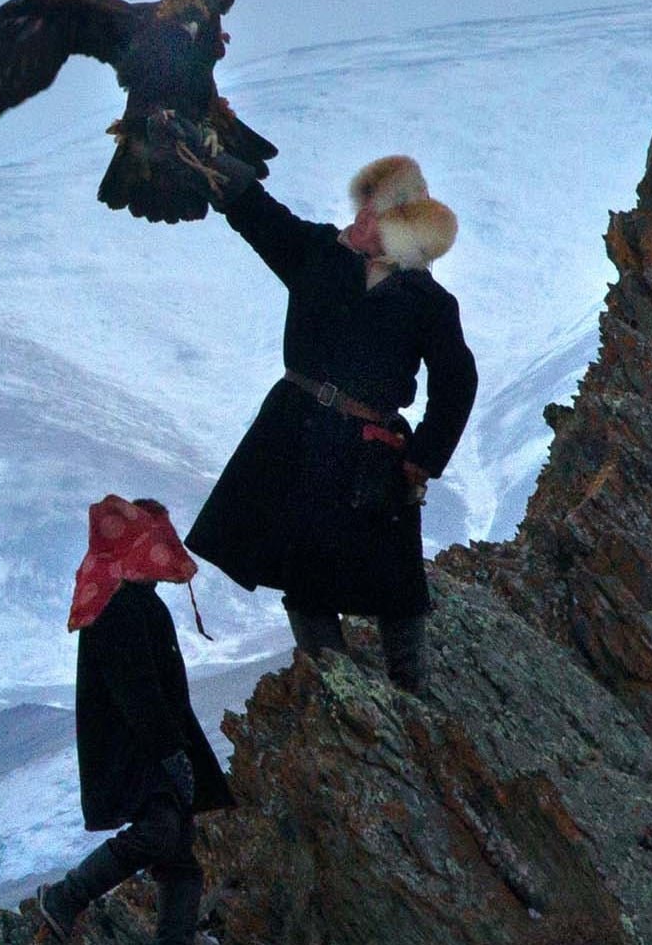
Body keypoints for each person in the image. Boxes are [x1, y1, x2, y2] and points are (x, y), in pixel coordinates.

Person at [184, 154, 477, 691]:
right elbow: (260, 216)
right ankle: (333, 684)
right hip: (294, 435)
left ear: (397, 231)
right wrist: (215, 164)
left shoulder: (429, 303)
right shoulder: (317, 254)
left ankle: (412, 688)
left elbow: (457, 383)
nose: (356, 223)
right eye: (360, 213)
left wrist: (421, 460)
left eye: (370, 218)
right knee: (304, 570)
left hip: (372, 451)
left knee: (397, 582)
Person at [26, 495, 234, 945]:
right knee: (162, 833)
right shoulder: (121, 606)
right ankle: (64, 898)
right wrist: (169, 755)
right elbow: (138, 693)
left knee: (179, 854)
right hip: (139, 752)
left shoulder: (124, 599)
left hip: (142, 749)